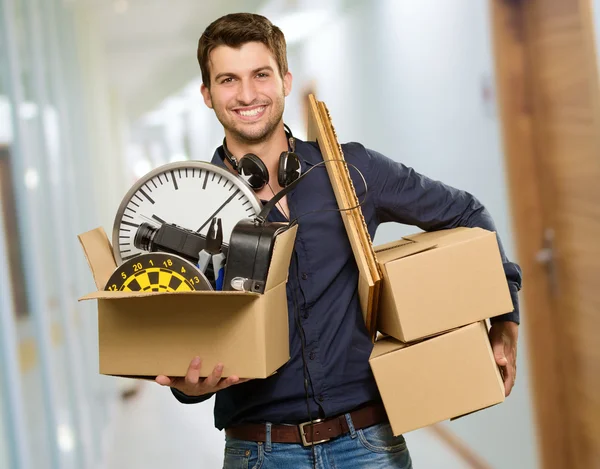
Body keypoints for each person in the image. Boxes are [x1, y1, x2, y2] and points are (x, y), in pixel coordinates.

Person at [155, 12, 522, 469]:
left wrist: (505, 316)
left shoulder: (352, 172)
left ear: (286, 81)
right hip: (259, 451)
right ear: (208, 95)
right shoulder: (188, 210)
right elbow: (178, 341)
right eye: (229, 80)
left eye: (260, 75)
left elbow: (469, 214)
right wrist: (186, 388)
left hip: (369, 443)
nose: (247, 94)